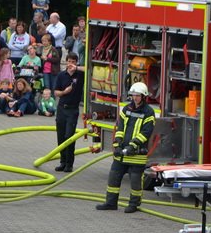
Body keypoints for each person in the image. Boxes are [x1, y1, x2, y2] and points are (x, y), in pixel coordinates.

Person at [96, 82, 155, 212]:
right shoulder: (127, 109)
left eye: (138, 96)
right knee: (114, 177)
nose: (135, 98)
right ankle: (111, 203)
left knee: (135, 181)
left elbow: (146, 133)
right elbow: (120, 127)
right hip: (122, 153)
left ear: (143, 96)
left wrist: (132, 146)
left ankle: (134, 204)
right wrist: (117, 144)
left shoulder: (149, 113)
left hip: (137, 154)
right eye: (133, 95)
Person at [53, 52, 84, 172]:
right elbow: (56, 92)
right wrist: (64, 92)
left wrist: (77, 68)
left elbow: (89, 68)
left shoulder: (80, 75)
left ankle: (69, 164)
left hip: (73, 109)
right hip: (61, 108)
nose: (70, 64)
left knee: (69, 137)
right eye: (69, 61)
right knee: (61, 137)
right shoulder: (61, 75)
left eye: (73, 62)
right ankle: (62, 161)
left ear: (76, 63)